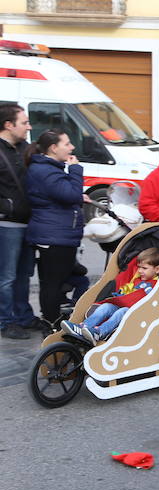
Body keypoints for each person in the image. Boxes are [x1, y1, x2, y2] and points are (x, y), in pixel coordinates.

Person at [24, 129, 85, 331]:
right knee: (52, 282)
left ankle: (55, 318)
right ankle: (51, 323)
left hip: (58, 233)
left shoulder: (50, 168)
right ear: (53, 148)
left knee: (61, 279)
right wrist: (75, 170)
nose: (71, 148)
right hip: (53, 235)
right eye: (67, 144)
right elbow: (70, 195)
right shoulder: (44, 169)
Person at [61, 247, 159, 344]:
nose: (140, 271)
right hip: (124, 304)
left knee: (122, 311)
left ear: (157, 269)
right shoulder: (137, 280)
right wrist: (121, 293)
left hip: (138, 313)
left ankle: (99, 332)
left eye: (144, 268)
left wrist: (147, 290)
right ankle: (83, 327)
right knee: (106, 307)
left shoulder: (158, 284)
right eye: (139, 267)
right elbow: (127, 290)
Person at [0, 102, 38, 340]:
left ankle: (23, 316)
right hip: (7, 224)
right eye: (24, 122)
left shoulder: (26, 149)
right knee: (7, 277)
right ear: (8, 125)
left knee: (23, 275)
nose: (28, 126)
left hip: (28, 223)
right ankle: (6, 321)